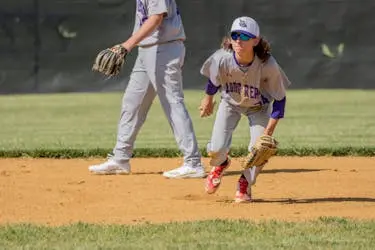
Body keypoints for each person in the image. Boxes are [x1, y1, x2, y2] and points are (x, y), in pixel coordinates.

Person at [89, 0, 205, 178]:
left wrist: (127, 45)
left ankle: (193, 163)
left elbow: (156, 18)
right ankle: (120, 158)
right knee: (132, 103)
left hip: (164, 49)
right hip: (147, 50)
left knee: (173, 103)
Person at [199, 16, 291, 202]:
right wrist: (208, 99)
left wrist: (268, 132)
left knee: (258, 151)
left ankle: (245, 182)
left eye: (245, 36)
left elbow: (280, 100)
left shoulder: (268, 65)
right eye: (235, 35)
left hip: (258, 108)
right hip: (230, 104)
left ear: (256, 40)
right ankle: (222, 163)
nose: (239, 40)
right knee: (216, 149)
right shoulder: (222, 58)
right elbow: (213, 81)